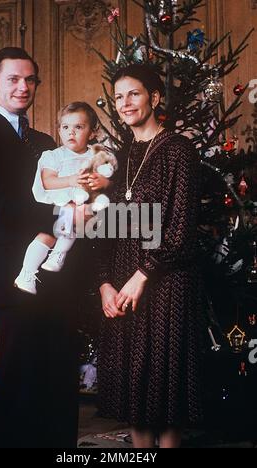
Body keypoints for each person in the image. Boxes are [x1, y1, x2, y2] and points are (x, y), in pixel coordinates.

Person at [0, 47, 86, 448]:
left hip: (58, 276)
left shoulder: (48, 140)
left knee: (59, 377)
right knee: (19, 377)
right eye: (13, 79)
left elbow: (72, 198)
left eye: (30, 79)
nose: (23, 87)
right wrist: (56, 215)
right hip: (13, 276)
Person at [97, 64, 203, 449]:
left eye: (134, 94)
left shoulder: (178, 150)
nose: (125, 103)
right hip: (124, 284)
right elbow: (108, 227)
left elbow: (181, 231)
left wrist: (142, 276)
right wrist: (106, 283)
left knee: (165, 399)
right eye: (119, 95)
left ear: (154, 98)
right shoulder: (121, 157)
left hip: (166, 284)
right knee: (135, 399)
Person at [14, 101, 114, 294]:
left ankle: (58, 254)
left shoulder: (97, 155)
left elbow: (109, 180)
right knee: (49, 232)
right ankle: (26, 273)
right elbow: (48, 181)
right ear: (59, 130)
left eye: (78, 127)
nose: (71, 132)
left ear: (92, 132)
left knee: (76, 219)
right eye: (66, 127)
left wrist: (102, 183)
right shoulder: (53, 156)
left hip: (84, 204)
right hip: (57, 202)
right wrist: (71, 179)